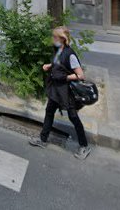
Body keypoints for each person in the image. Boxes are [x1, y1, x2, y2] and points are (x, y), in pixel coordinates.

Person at [29, 26, 91, 160]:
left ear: (62, 39)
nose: (52, 39)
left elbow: (80, 76)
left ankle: (84, 145)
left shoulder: (70, 54)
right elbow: (58, 64)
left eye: (54, 37)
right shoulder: (58, 50)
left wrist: (64, 78)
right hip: (56, 90)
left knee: (73, 117)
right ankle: (43, 139)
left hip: (66, 91)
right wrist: (49, 66)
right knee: (49, 111)